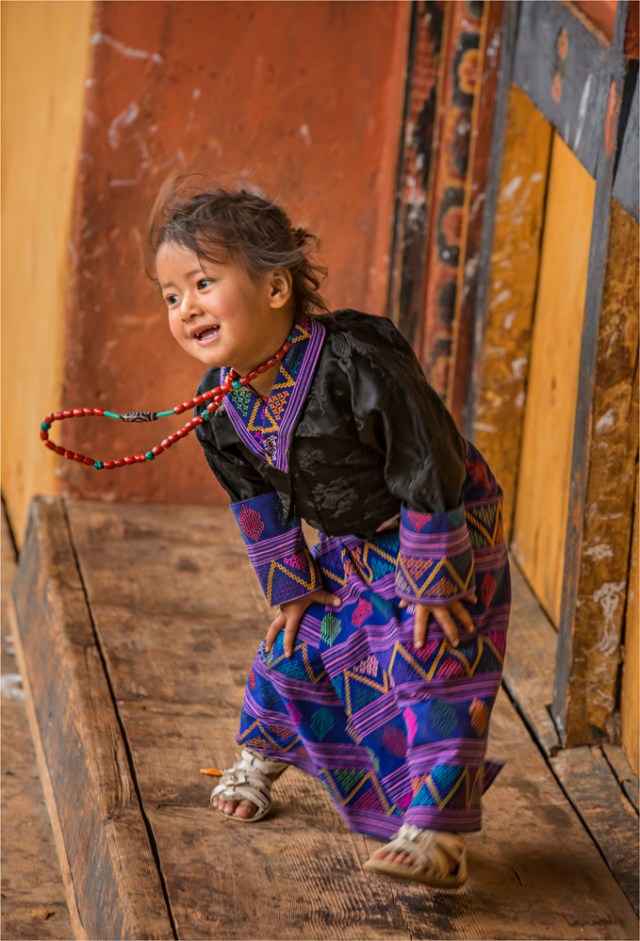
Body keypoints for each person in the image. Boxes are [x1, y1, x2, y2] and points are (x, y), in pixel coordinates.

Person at [150, 184, 510, 889]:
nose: (185, 306)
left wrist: (431, 574)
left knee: (430, 649)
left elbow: (425, 451)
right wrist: (288, 582)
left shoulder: (353, 360)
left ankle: (434, 831)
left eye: (202, 283)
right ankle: (261, 752)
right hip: (350, 538)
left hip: (437, 519)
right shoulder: (221, 403)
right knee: (301, 637)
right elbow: (251, 494)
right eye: (170, 295)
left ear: (277, 286)